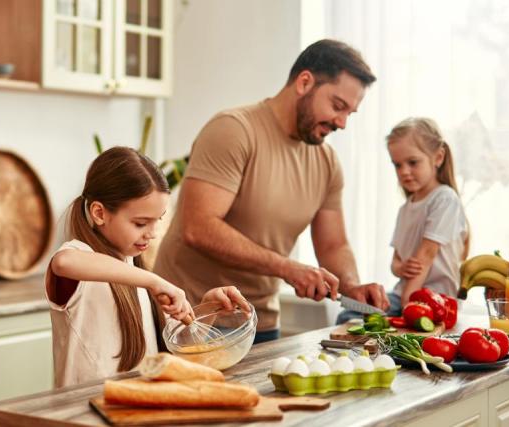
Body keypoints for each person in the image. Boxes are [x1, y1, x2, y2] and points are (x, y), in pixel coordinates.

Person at [153, 39, 389, 344]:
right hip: (190, 318)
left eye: (349, 114)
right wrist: (287, 268)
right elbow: (198, 227)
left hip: (259, 324)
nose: (341, 123)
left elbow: (333, 245)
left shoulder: (327, 162)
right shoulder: (234, 130)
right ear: (305, 82)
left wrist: (352, 286)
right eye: (337, 106)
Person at [46, 147, 251, 388]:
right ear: (99, 213)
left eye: (158, 220)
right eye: (141, 223)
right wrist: (153, 281)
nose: (152, 233)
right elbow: (63, 262)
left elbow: (177, 348)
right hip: (80, 413)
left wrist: (208, 308)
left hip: (132, 409)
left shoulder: (134, 269)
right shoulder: (80, 260)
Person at [338, 118, 468, 322]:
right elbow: (396, 261)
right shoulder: (405, 208)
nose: (404, 171)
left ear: (438, 157)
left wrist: (409, 307)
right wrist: (400, 268)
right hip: (403, 294)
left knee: (355, 319)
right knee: (349, 316)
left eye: (413, 162)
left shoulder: (444, 199)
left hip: (435, 299)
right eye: (397, 165)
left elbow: (425, 258)